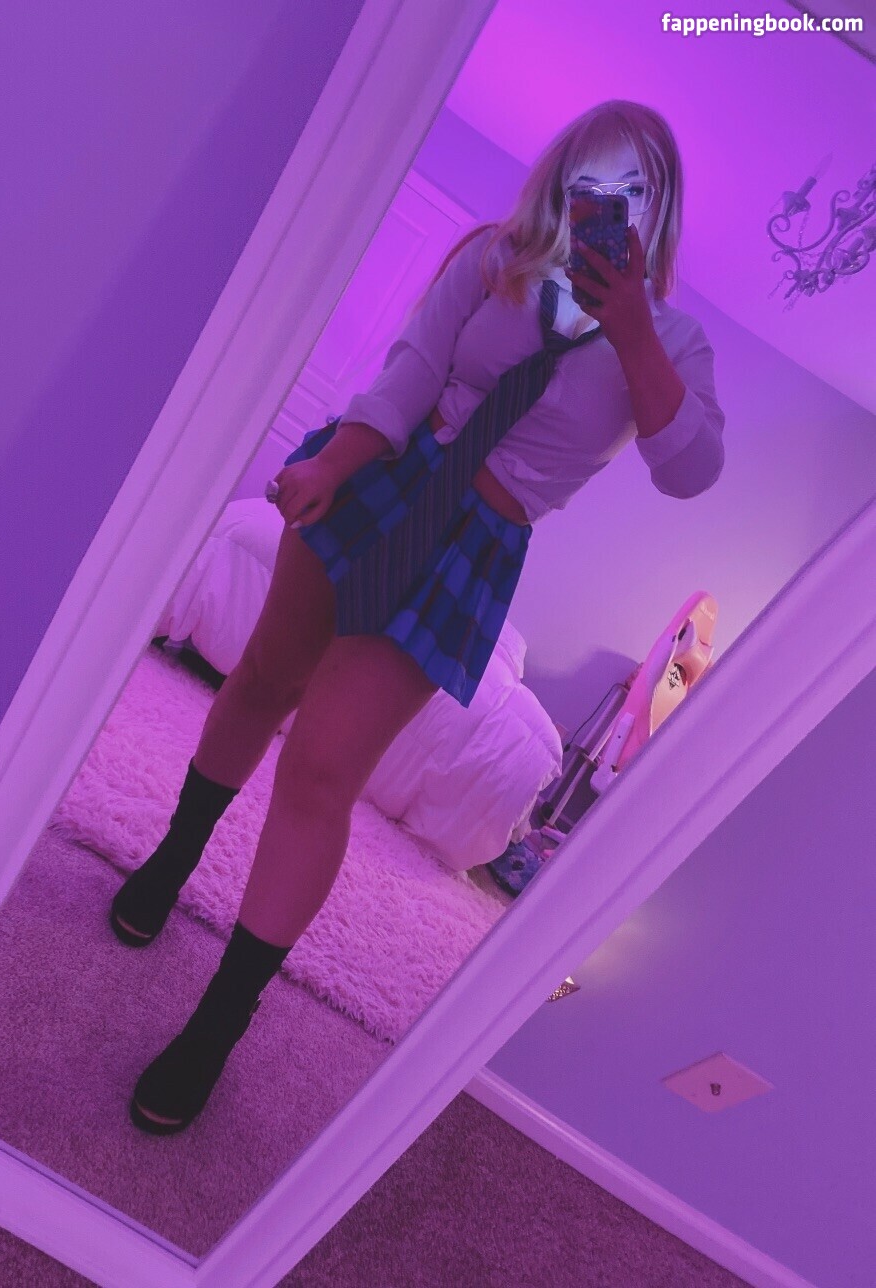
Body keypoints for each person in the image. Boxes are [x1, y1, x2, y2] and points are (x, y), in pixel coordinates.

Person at [110, 98, 726, 1134]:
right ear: (564, 178)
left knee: (322, 768)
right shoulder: (497, 259)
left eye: (632, 188)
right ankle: (174, 853)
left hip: (472, 543)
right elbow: (409, 375)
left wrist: (630, 329)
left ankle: (219, 1019)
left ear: (656, 208)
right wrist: (332, 462)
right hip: (378, 478)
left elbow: (691, 468)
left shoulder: (671, 342)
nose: (606, 201)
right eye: (591, 177)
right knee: (262, 679)